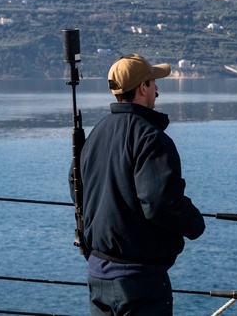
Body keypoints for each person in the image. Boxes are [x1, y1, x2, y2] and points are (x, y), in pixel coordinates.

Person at [79, 53, 205, 316]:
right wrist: (195, 224)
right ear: (142, 88)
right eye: (153, 82)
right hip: (140, 282)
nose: (157, 89)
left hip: (98, 272)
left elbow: (76, 185)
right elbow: (159, 203)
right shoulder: (151, 137)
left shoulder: (97, 133)